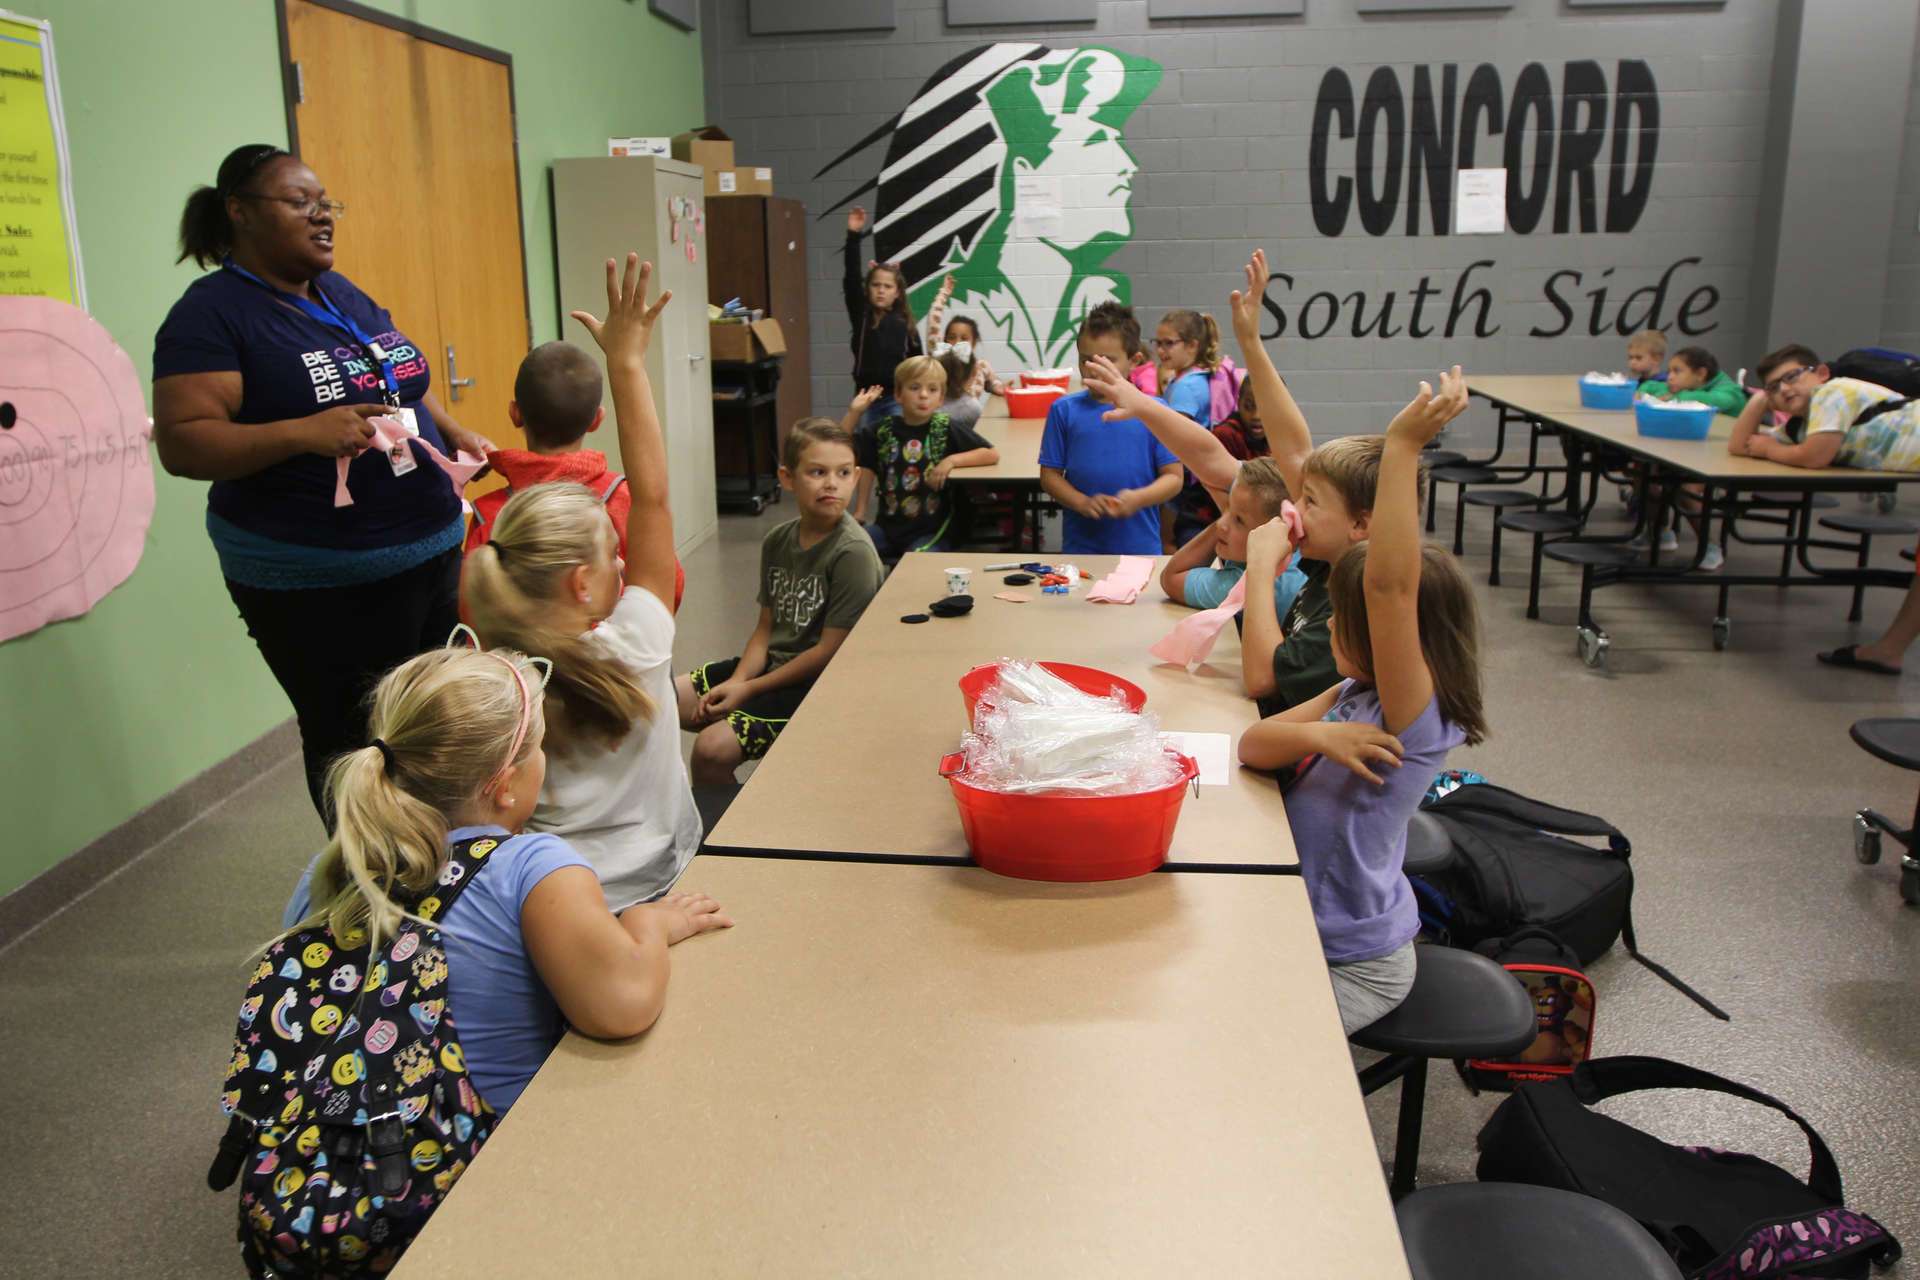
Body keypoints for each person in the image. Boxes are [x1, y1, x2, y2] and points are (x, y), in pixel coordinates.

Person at [153, 143, 495, 825]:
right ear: (239, 213)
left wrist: (445, 428)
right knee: (354, 740)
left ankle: (442, 865)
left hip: (426, 550)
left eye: (325, 203)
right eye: (300, 202)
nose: (322, 216)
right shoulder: (211, 316)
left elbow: (391, 377)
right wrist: (300, 433)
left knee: (430, 720)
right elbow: (184, 442)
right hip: (319, 582)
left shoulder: (338, 291)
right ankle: (368, 891)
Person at [279, 645, 732, 1117]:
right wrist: (647, 922)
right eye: (539, 747)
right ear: (505, 785)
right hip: (469, 1168)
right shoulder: (533, 868)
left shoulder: (328, 869)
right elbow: (624, 1007)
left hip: (315, 1159)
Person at [1238, 368, 1486, 1034]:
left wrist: (1403, 449)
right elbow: (1251, 745)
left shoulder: (1414, 720)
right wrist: (1319, 735)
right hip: (1300, 922)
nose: (1335, 629)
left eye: (1349, 619)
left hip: (1357, 958)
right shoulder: (1349, 693)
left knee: (1259, 1051)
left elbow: (1390, 591)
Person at [461, 255, 702, 911]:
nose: (622, 569)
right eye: (610, 562)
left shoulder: (492, 688)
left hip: (555, 899)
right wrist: (628, 362)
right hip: (659, 879)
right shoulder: (640, 643)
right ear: (581, 586)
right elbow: (651, 496)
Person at [1084, 250, 1398, 716]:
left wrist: (1260, 560)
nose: (1296, 506)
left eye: (1309, 501)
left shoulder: (1355, 598)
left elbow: (1261, 680)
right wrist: (1247, 341)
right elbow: (1246, 455)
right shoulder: (1331, 558)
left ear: (1360, 525)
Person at [678, 420, 884, 784]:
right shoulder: (777, 540)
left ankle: (725, 839)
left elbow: (828, 652)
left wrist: (748, 690)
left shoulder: (853, 553)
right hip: (771, 666)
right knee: (661, 699)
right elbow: (765, 629)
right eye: (817, 472)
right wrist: (739, 679)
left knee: (712, 749)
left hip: (817, 684)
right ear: (788, 478)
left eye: (844, 472)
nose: (832, 483)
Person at [463, 340, 684, 612]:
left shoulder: (488, 515)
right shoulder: (622, 498)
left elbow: (473, 611)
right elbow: (666, 589)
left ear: (515, 413)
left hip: (516, 655)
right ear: (597, 420)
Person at [1037, 302, 1183, 555]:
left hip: (1140, 549)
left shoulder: (1154, 411)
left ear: (1134, 360)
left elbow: (1174, 478)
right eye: (1086, 360)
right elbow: (1049, 477)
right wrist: (1081, 502)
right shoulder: (1063, 411)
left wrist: (1139, 498)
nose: (1094, 368)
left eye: (1107, 361)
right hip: (1081, 551)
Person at [848, 356, 998, 563]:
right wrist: (854, 413)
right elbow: (839, 448)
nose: (923, 395)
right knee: (848, 547)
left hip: (932, 531)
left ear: (941, 397)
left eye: (932, 390)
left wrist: (950, 461)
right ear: (898, 394)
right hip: (887, 528)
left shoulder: (944, 427)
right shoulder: (884, 429)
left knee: (916, 561)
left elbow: (990, 453)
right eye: (915, 388)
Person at [1730, 343, 1920, 472]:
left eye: (1791, 377)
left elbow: (1814, 457)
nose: (1784, 389)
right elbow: (1741, 446)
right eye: (1774, 387)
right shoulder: (1802, 429)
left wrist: (1769, 450)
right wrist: (1760, 399)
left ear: (1822, 374)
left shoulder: (1832, 392)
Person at [1157, 457, 1307, 617]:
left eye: (1239, 520)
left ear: (1274, 530)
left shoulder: (1263, 584)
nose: (1221, 523)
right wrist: (1233, 513)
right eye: (1226, 508)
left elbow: (1172, 578)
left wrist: (1226, 515)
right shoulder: (1293, 551)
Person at [844, 205, 921, 427]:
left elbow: (918, 364)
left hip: (896, 399)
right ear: (868, 289)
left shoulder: (905, 324)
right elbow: (850, 278)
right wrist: (853, 236)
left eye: (887, 286)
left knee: (893, 450)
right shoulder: (862, 317)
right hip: (865, 399)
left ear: (897, 293)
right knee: (866, 452)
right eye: (876, 285)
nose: (881, 290)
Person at [924, 275, 1008, 401]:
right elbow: (932, 322)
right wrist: (943, 294)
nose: (957, 342)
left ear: (974, 343)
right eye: (952, 337)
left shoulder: (981, 366)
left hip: (971, 418)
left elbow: (993, 382)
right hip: (943, 418)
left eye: (964, 338)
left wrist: (996, 386)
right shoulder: (938, 359)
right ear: (945, 340)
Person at [1155, 309, 1221, 425]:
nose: (1160, 350)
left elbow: (1176, 436)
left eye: (1169, 343)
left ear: (1192, 345)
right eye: (1158, 343)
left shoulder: (1186, 386)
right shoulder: (1195, 377)